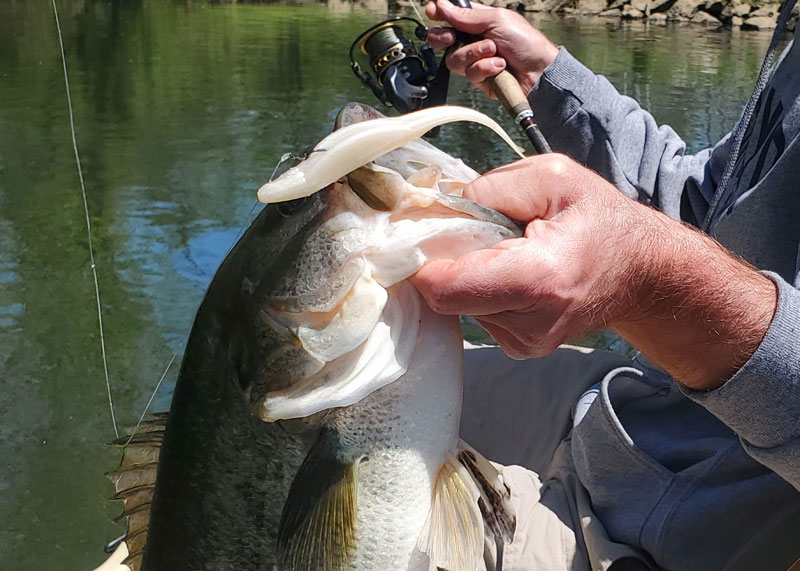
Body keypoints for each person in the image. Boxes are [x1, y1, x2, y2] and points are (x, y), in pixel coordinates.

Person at [410, 0, 800, 569]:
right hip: (625, 415)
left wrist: (646, 275)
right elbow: (703, 202)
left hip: (655, 541)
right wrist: (547, 80)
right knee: (336, 398)